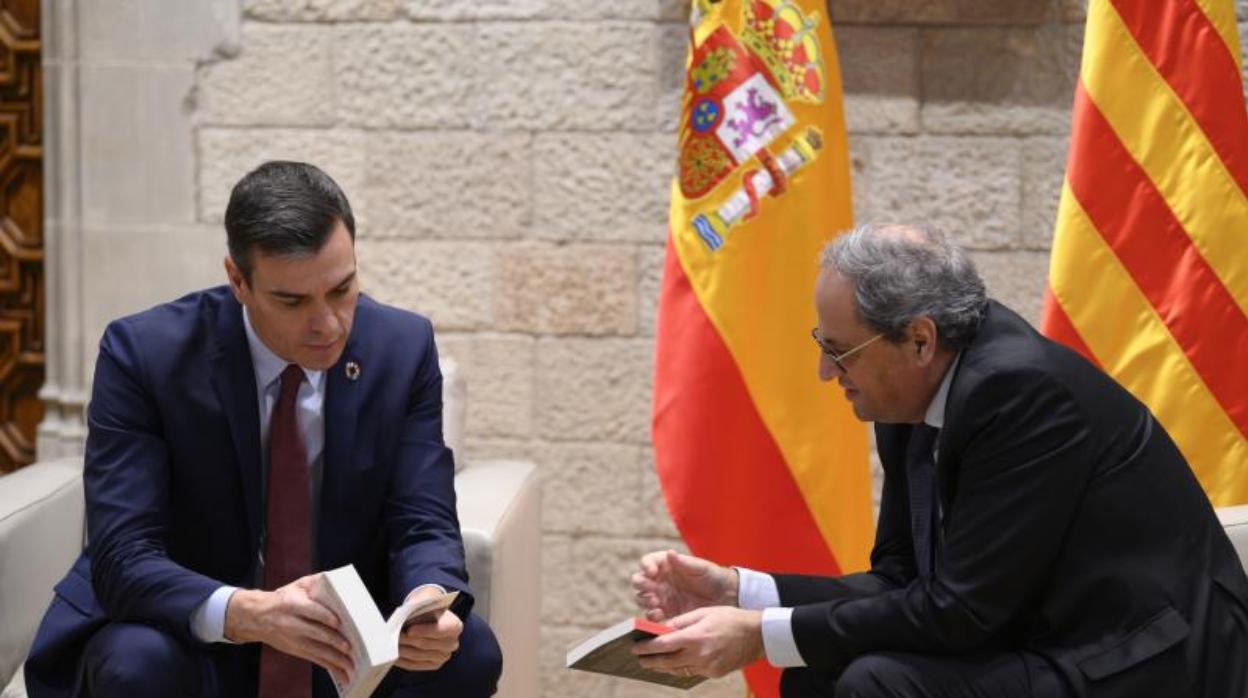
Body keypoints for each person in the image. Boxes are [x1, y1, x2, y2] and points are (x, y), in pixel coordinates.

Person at [631, 223, 1248, 697]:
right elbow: (902, 579)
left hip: (1139, 655)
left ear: (920, 339)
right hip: (1038, 631)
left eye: (839, 350)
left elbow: (960, 610)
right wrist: (743, 594)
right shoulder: (907, 393)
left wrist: (760, 638)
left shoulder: (1021, 394)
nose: (826, 372)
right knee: (818, 668)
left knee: (875, 683)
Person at [24, 161, 502, 697]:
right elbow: (122, 555)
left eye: (342, 289)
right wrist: (249, 612)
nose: (328, 323)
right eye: (292, 301)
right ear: (238, 281)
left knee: (470, 652)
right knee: (136, 662)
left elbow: (423, 520)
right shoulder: (145, 355)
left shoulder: (403, 347)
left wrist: (426, 601)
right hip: (194, 636)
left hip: (336, 647)